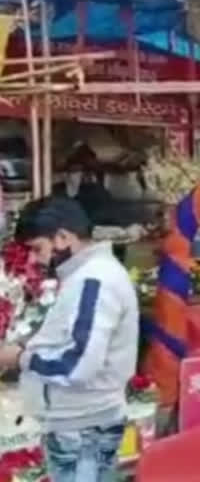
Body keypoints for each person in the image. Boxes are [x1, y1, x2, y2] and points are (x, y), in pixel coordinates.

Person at [0, 197, 139, 482]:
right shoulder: (86, 276)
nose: (36, 259)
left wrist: (18, 357)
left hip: (83, 429)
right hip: (82, 425)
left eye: (38, 248)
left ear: (63, 237)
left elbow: (78, 364)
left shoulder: (94, 280)